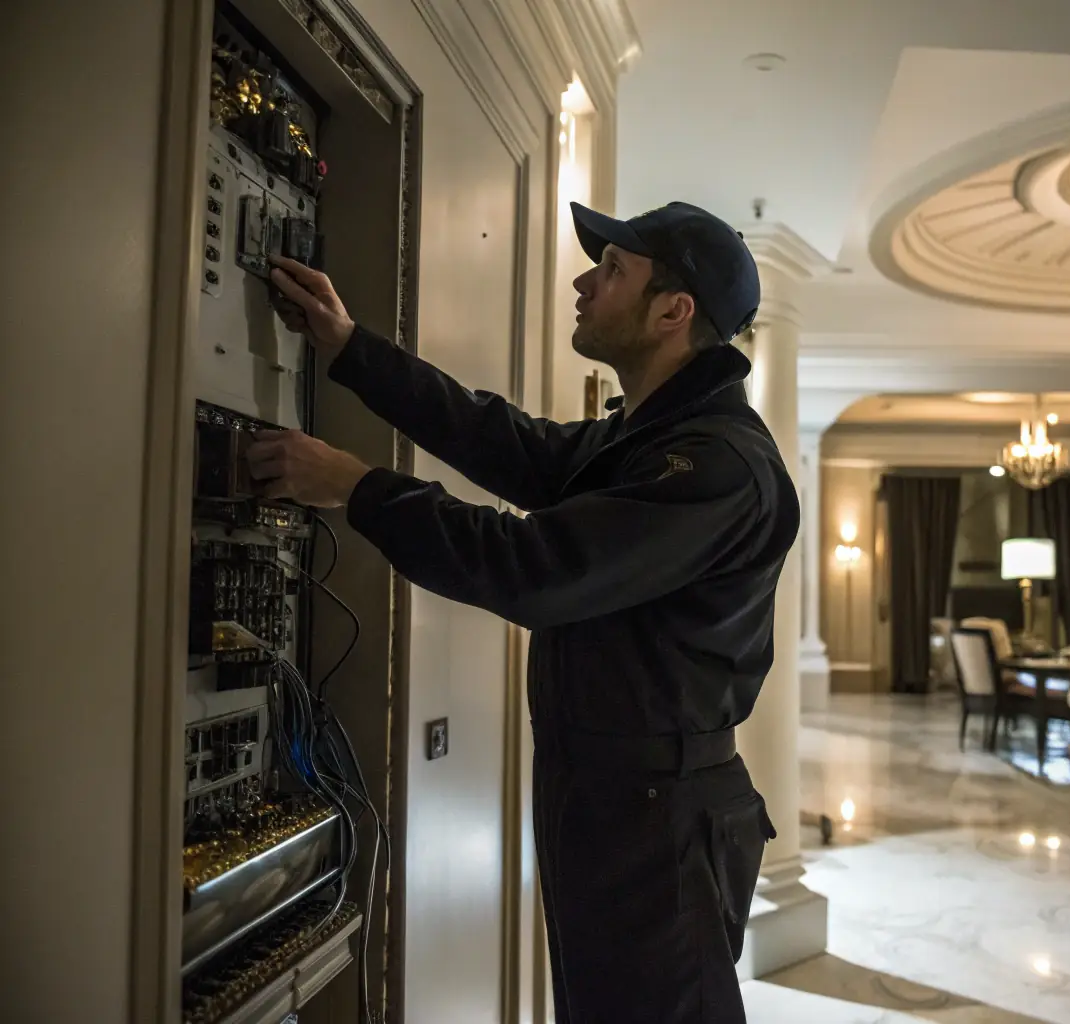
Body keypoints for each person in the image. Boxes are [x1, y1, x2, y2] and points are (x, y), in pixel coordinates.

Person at [247, 201, 800, 1022]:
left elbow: (531, 569)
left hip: (658, 812)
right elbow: (503, 440)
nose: (584, 280)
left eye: (612, 270)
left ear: (673, 312)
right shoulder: (649, 437)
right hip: (614, 796)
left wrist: (354, 486)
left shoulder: (715, 463)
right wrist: (349, 348)